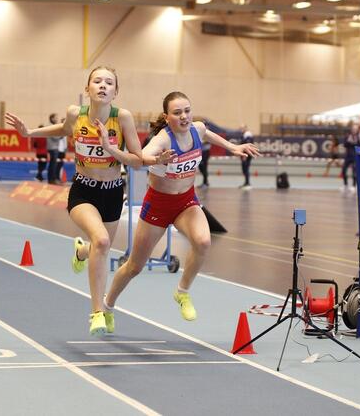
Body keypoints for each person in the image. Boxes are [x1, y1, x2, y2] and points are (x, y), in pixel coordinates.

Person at [5, 66, 175, 336]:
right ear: (88, 89)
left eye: (109, 83)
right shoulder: (77, 113)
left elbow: (137, 161)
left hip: (112, 192)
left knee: (97, 246)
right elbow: (63, 129)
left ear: (116, 92)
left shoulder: (124, 119)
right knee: (104, 241)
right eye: (97, 81)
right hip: (83, 190)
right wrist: (29, 133)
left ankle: (81, 252)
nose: (103, 86)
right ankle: (97, 312)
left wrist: (110, 148)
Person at [104, 91, 260, 327]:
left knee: (203, 242)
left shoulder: (197, 129)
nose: (184, 116)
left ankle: (182, 291)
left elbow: (208, 134)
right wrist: (156, 160)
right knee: (134, 267)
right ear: (167, 118)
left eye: (187, 110)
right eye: (177, 113)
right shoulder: (162, 141)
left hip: (186, 201)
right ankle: (107, 306)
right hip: (158, 205)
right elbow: (138, 159)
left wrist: (232, 147)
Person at [340, 123, 360, 193]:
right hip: (348, 156)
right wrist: (349, 142)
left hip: (355, 156)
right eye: (353, 129)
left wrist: (355, 142)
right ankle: (345, 184)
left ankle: (354, 185)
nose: (354, 130)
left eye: (356, 129)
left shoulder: (359, 137)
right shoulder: (348, 136)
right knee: (344, 170)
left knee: (354, 171)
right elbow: (344, 144)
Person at [46, 113, 67, 184]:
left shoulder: (53, 126)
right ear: (52, 119)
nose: (57, 119)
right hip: (53, 147)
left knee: (53, 164)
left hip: (54, 147)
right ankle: (52, 179)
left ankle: (52, 179)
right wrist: (62, 135)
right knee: (53, 164)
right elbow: (54, 137)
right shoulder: (51, 127)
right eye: (55, 118)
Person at [239, 125, 254, 190]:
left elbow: (248, 147)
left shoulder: (248, 135)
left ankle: (248, 183)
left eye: (242, 128)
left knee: (246, 169)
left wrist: (245, 155)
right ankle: (246, 183)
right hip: (244, 155)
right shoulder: (244, 135)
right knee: (244, 169)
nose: (241, 129)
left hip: (246, 155)